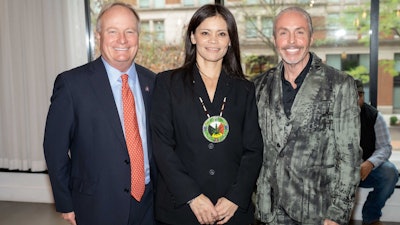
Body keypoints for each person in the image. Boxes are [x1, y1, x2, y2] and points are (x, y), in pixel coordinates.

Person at [43, 2, 156, 225]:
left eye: (129, 31)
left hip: (149, 205)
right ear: (98, 36)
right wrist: (65, 202)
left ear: (138, 37)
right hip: (96, 205)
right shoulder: (71, 84)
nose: (122, 40)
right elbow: (54, 148)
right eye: (112, 31)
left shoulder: (153, 82)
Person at [150, 4, 263, 225]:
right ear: (193, 37)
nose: (213, 40)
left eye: (221, 34)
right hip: (181, 208)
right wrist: (192, 196)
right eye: (205, 33)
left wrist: (235, 198)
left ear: (230, 40)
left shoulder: (245, 89)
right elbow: (162, 147)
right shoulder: (167, 83)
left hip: (231, 211)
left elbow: (253, 150)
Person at [253, 6, 362, 225]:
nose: (291, 41)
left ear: (311, 37)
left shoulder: (339, 84)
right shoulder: (258, 86)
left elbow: (348, 156)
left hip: (317, 211)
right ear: (275, 39)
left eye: (299, 32)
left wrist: (337, 213)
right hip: (268, 211)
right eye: (283, 33)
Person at [354, 80, 399, 225]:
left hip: (366, 171)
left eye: (359, 95)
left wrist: (370, 163)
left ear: (363, 96)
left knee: (390, 172)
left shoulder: (374, 116)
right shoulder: (331, 116)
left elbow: (385, 147)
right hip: (339, 171)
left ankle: (371, 216)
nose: (356, 99)